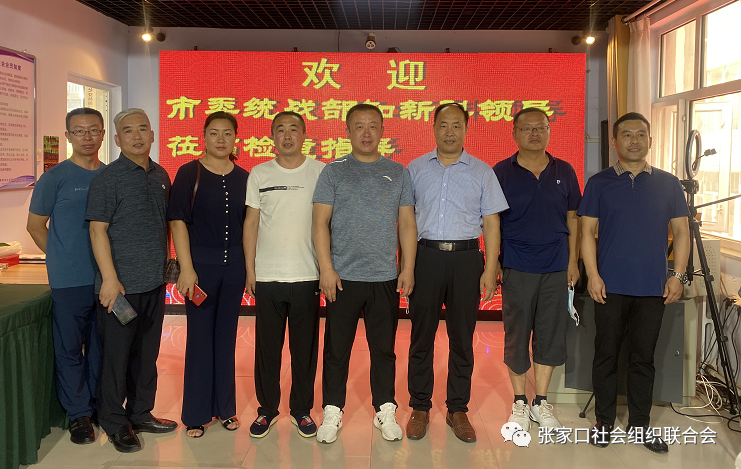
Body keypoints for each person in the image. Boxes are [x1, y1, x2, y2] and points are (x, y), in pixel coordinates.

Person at [579, 112, 690, 454]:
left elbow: (681, 231)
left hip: (653, 287)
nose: (634, 140)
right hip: (609, 286)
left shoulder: (669, 183)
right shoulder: (599, 183)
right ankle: (604, 422)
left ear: (650, 140)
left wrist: (677, 275)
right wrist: (593, 275)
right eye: (626, 135)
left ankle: (640, 425)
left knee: (643, 357)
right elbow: (586, 232)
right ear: (615, 141)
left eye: (641, 134)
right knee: (606, 355)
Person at [312, 103, 417, 443]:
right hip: (341, 278)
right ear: (347, 131)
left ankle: (385, 408)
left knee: (383, 349)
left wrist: (407, 267)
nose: (366, 132)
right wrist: (326, 268)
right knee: (336, 350)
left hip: (384, 277)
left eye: (373, 125)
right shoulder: (333, 171)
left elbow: (407, 223)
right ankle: (332, 409)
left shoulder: (398, 172)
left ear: (383, 131)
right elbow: (319, 223)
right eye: (359, 126)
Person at [406, 103, 508, 443]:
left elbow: (491, 222)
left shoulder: (482, 172)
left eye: (457, 125)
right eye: (443, 125)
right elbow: (405, 221)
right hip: (426, 258)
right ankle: (420, 406)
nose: (450, 131)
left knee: (463, 339)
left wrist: (490, 268)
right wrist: (406, 265)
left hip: (466, 260)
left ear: (466, 129)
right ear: (433, 128)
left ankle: (457, 408)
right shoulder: (415, 169)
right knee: (421, 336)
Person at [86, 108, 177, 453]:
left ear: (153, 135)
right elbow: (97, 231)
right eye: (128, 131)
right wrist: (109, 279)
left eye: (143, 129)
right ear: (117, 139)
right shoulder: (108, 179)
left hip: (153, 284)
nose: (137, 136)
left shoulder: (161, 175)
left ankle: (140, 413)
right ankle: (113, 421)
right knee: (117, 357)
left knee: (146, 354)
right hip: (120, 290)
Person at [493, 107, 582, 433]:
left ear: (549, 131)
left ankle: (540, 402)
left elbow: (574, 219)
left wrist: (573, 262)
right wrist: (494, 263)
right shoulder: (501, 172)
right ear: (514, 134)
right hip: (517, 266)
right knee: (517, 335)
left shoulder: (565, 170)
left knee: (550, 334)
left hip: (556, 267)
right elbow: (492, 221)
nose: (534, 133)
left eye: (540, 127)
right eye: (527, 128)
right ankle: (519, 401)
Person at [26, 108, 106, 445]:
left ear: (103, 134)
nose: (87, 137)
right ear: (68, 136)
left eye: (93, 130)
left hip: (107, 278)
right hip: (69, 280)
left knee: (102, 346)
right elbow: (35, 226)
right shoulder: (55, 177)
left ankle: (100, 406)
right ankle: (79, 415)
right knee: (70, 348)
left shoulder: (111, 175)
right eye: (79, 131)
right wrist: (61, 256)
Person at [168, 111, 249, 438]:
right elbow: (178, 222)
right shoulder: (189, 172)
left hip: (235, 269)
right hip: (200, 269)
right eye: (214, 133)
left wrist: (250, 270)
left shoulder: (244, 177)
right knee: (200, 339)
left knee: (226, 339)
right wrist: (186, 268)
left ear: (235, 138)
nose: (220, 139)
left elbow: (249, 227)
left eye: (227, 133)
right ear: (204, 137)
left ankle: (225, 409)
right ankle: (196, 414)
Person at [244, 111, 324, 438]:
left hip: (308, 275)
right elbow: (251, 223)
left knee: (304, 350)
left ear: (304, 135)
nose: (287, 136)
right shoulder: (259, 173)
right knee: (267, 349)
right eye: (280, 130)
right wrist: (250, 270)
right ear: (272, 137)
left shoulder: (321, 172)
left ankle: (302, 410)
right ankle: (267, 410)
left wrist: (327, 269)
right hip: (268, 276)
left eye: (293, 129)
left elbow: (328, 223)